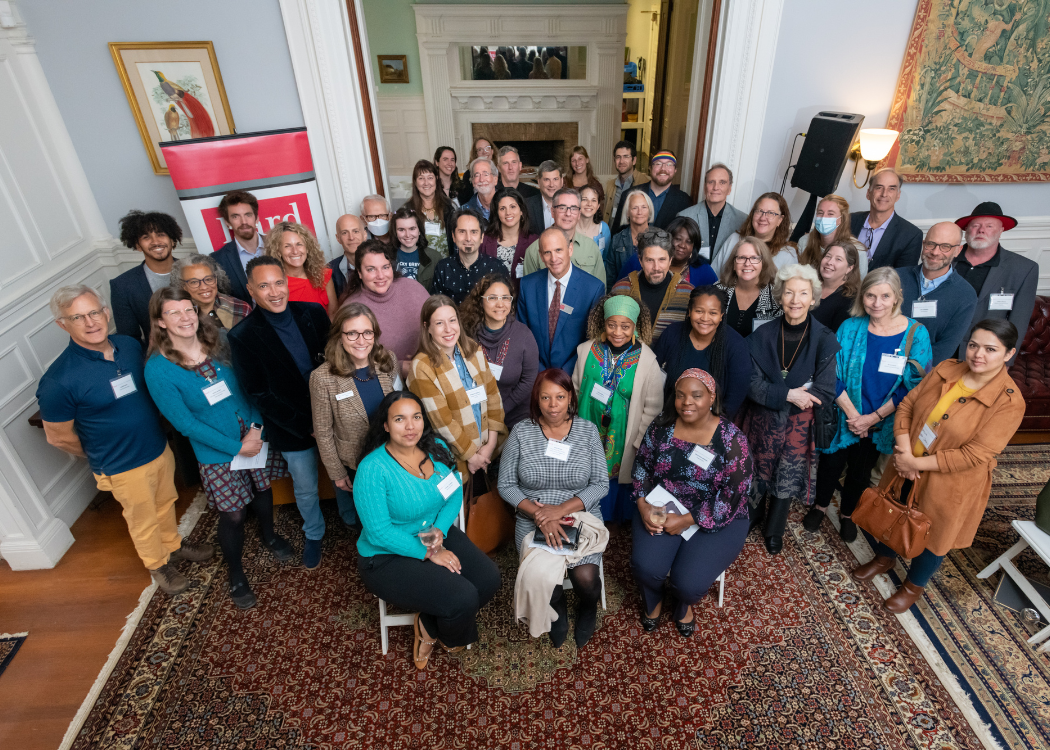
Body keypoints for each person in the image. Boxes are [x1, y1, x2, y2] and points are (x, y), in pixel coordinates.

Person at [38, 286, 214, 596]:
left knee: (166, 502)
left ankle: (173, 545)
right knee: (143, 520)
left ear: (106, 313)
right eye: (78, 317)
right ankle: (158, 564)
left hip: (158, 447)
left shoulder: (129, 346)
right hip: (121, 465)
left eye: (95, 312)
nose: (90, 322)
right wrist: (100, 453)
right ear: (62, 324)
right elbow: (58, 437)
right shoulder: (58, 380)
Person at [852, 319, 1025, 613]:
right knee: (892, 509)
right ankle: (884, 558)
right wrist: (905, 453)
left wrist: (914, 462)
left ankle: (913, 586)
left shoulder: (1009, 402)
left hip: (949, 481)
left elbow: (975, 454)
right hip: (907, 459)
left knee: (934, 534)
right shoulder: (947, 368)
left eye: (990, 349)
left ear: (1009, 353)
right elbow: (907, 405)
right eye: (973, 345)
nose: (978, 354)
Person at [144, 288, 291, 608]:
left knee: (263, 488)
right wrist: (236, 447)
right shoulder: (157, 369)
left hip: (253, 434)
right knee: (234, 515)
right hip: (217, 451)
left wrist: (255, 430)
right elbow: (185, 424)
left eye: (189, 309)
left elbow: (251, 387)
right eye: (174, 312)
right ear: (160, 321)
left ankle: (269, 535)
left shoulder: (221, 342)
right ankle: (236, 573)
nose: (185, 317)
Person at [354, 391, 501, 669]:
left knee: (489, 579)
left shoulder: (435, 449)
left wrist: (440, 533)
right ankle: (448, 634)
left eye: (416, 417)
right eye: (400, 419)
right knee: (463, 597)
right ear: (386, 425)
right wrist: (430, 553)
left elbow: (453, 493)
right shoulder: (372, 469)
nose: (410, 426)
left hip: (433, 532)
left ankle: (428, 624)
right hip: (386, 556)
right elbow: (379, 532)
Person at [809, 267, 932, 540]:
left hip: (882, 421)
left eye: (885, 296)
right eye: (870, 296)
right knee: (829, 465)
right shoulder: (850, 327)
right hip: (844, 414)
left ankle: (848, 514)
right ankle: (820, 507)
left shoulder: (916, 334)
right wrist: (854, 416)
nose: (877, 303)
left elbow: (915, 386)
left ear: (897, 296)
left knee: (861, 472)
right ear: (862, 296)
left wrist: (872, 418)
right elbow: (829, 372)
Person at [631, 369, 753, 636]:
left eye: (696, 395)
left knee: (688, 584)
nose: (687, 402)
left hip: (718, 514)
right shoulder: (661, 427)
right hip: (664, 505)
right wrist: (642, 504)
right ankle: (653, 600)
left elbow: (733, 496)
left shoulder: (732, 440)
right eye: (680, 395)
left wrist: (687, 519)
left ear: (712, 398)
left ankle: (682, 605)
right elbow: (641, 467)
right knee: (646, 568)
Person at [228, 256, 331, 569]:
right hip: (291, 426)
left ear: (287, 283)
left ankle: (352, 518)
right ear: (251, 290)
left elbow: (335, 362)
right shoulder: (242, 335)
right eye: (264, 286)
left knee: (344, 473)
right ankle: (314, 533)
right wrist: (307, 425)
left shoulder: (314, 312)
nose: (274, 292)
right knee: (305, 486)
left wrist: (329, 417)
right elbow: (258, 392)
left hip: (331, 414)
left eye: (278, 283)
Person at [497, 369, 609, 647]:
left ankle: (588, 608)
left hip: (580, 513)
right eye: (545, 397)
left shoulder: (587, 431)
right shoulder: (521, 432)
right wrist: (539, 514)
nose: (553, 405)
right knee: (545, 580)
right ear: (536, 398)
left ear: (570, 397)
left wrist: (558, 511)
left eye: (560, 397)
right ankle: (557, 611)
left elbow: (600, 484)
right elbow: (506, 485)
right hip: (532, 516)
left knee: (586, 578)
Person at [738, 264, 840, 554]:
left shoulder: (825, 338)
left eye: (803, 293)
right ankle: (752, 516)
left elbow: (825, 389)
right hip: (763, 418)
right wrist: (789, 394)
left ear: (813, 298)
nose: (796, 300)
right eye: (789, 293)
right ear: (780, 297)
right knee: (757, 469)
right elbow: (750, 383)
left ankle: (775, 529)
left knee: (786, 475)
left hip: (798, 423)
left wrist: (791, 397)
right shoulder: (762, 335)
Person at [572, 294, 665, 523]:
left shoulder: (647, 360)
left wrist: (639, 441)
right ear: (603, 322)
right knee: (586, 473)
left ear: (635, 327)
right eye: (611, 324)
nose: (617, 332)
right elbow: (575, 389)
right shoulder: (585, 350)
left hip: (623, 434)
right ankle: (586, 516)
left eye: (625, 326)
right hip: (588, 425)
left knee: (616, 480)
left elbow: (653, 408)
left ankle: (610, 520)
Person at [310, 303, 403, 530]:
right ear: (339, 337)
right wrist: (337, 473)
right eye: (352, 333)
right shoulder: (323, 378)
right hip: (355, 464)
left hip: (392, 457)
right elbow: (323, 432)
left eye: (367, 332)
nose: (361, 340)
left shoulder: (387, 361)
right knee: (366, 523)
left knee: (396, 515)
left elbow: (399, 406)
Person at [408, 295, 507, 481]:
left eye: (452, 320)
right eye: (439, 323)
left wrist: (490, 445)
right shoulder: (421, 366)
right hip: (456, 460)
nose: (448, 329)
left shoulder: (473, 349)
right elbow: (442, 422)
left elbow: (493, 395)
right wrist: (472, 456)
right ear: (427, 327)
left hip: (489, 452)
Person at [954, 202, 1038, 360]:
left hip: (985, 355)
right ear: (966, 229)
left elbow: (1018, 321)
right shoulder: (945, 258)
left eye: (989, 226)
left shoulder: (1024, 268)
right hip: (939, 349)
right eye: (975, 225)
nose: (981, 230)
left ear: (1001, 230)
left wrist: (1007, 360)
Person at [653, 286, 751, 419]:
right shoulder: (671, 334)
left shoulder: (736, 345)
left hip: (712, 423)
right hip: (667, 417)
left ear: (721, 315)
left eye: (713, 313)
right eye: (699, 311)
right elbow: (653, 378)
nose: (705, 318)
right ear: (689, 311)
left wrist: (710, 426)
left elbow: (734, 399)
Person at [517, 228, 606, 373]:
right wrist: (540, 372)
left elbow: (593, 340)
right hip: (535, 373)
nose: (554, 258)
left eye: (558, 250)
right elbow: (522, 333)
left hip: (573, 374)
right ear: (541, 256)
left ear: (570, 249)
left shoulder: (593, 288)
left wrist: (563, 375)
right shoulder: (527, 285)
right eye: (547, 252)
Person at [459, 274, 539, 430]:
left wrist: (501, 409)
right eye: (493, 298)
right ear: (481, 300)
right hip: (476, 413)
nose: (500, 304)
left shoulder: (524, 335)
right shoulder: (467, 334)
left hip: (515, 415)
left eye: (505, 298)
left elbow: (529, 380)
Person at [339, 240, 430, 376]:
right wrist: (399, 367)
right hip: (384, 380)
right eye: (371, 269)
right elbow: (348, 361)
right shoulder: (350, 309)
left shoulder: (414, 288)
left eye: (385, 267)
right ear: (359, 273)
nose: (380, 276)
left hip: (429, 370)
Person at [899, 222, 978, 365]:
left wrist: (910, 370)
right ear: (924, 244)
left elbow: (946, 347)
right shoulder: (895, 278)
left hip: (924, 371)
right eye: (931, 244)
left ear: (958, 250)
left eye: (945, 246)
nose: (935, 252)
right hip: (881, 362)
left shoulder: (966, 295)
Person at [611, 228, 693, 345]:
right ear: (640, 261)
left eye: (662, 260)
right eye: (650, 260)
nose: (656, 267)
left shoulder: (688, 293)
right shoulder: (621, 289)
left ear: (670, 260)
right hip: (629, 356)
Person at [112, 210, 182, 345]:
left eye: (161, 234)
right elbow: (129, 339)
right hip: (160, 352)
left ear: (172, 241)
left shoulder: (195, 271)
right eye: (146, 237)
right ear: (138, 246)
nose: (155, 242)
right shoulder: (122, 286)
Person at [522, 188, 606, 285]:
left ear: (579, 214)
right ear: (552, 212)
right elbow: (530, 289)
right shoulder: (534, 250)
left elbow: (600, 288)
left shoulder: (592, 248)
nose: (568, 213)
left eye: (573, 208)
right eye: (562, 208)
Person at [849, 169, 923, 271]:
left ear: (898, 195)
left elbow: (903, 276)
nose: (884, 194)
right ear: (868, 193)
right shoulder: (849, 220)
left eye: (891, 189)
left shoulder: (911, 235)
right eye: (879, 187)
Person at [431, 208, 506, 304]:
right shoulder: (443, 268)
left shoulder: (497, 268)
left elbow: (506, 304)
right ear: (453, 236)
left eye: (474, 232)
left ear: (482, 237)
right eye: (462, 232)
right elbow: (435, 307)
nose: (468, 238)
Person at [676, 163, 748, 265]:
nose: (715, 187)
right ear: (705, 187)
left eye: (722, 182)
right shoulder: (684, 216)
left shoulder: (742, 220)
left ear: (729, 189)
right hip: (691, 273)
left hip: (725, 275)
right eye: (711, 182)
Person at [621, 216, 718, 288]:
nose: (682, 245)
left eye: (688, 242)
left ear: (694, 247)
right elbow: (620, 289)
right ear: (667, 238)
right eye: (678, 239)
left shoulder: (704, 270)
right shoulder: (640, 259)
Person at [265, 221, 337, 318]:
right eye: (287, 246)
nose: (295, 251)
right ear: (278, 251)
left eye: (299, 244)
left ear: (307, 248)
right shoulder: (276, 286)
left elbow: (334, 314)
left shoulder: (323, 275)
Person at [610, 150, 692, 234]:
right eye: (658, 163)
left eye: (669, 164)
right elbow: (617, 232)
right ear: (650, 168)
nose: (663, 168)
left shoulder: (684, 201)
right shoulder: (629, 195)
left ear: (675, 170)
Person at [717, 238, 783, 338]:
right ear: (734, 264)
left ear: (764, 264)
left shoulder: (777, 297)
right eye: (741, 258)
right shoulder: (717, 290)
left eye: (754, 258)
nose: (747, 263)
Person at [169, 253, 251, 331]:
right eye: (194, 282)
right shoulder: (175, 316)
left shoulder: (241, 308)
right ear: (182, 286)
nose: (204, 287)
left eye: (208, 279)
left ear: (216, 279)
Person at [720, 192, 796, 275]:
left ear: (780, 220)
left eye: (770, 213)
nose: (763, 218)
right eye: (759, 211)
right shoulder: (734, 239)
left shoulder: (787, 255)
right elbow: (713, 276)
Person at [211, 190, 263, 303]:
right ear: (227, 222)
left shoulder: (279, 245)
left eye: (248, 215)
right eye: (235, 216)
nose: (244, 222)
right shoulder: (217, 260)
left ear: (257, 218)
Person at [797, 194, 868, 277]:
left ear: (841, 219)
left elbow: (860, 283)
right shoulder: (804, 241)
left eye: (830, 214)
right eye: (820, 213)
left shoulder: (858, 251)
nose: (823, 217)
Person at [480, 188, 536, 284]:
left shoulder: (534, 242)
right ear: (497, 213)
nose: (508, 213)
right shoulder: (483, 240)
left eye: (512, 207)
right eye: (502, 208)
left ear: (521, 210)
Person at [408, 159, 456, 258]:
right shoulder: (408, 210)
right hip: (422, 264)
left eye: (430, 178)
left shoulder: (449, 206)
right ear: (415, 182)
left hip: (447, 263)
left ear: (436, 179)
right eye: (421, 178)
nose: (426, 183)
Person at [606, 189, 654, 282]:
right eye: (635, 208)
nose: (640, 212)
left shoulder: (660, 238)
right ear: (628, 212)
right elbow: (610, 277)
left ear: (649, 210)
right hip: (623, 289)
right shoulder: (617, 239)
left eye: (644, 207)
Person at [813, 241, 860, 333]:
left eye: (838, 259)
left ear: (849, 268)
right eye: (828, 256)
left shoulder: (849, 301)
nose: (829, 262)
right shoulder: (808, 285)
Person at [391, 206, 442, 291]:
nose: (407, 235)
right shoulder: (387, 256)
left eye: (412, 229)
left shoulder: (435, 257)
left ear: (419, 231)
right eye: (401, 230)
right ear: (395, 232)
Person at [604, 140, 648, 224]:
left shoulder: (644, 183)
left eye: (626, 156)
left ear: (634, 160)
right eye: (618, 157)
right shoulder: (610, 185)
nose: (621, 161)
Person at [327, 214, 366, 298]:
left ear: (365, 234)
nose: (351, 237)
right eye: (344, 233)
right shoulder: (329, 271)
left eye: (356, 231)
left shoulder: (384, 262)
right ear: (338, 238)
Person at [525, 160, 563, 237]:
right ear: (539, 182)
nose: (551, 185)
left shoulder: (571, 205)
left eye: (555, 179)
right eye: (546, 179)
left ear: (562, 181)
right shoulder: (526, 206)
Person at [576, 185, 612, 259]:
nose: (589, 204)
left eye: (593, 200)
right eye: (585, 199)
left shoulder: (604, 228)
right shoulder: (569, 226)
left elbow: (606, 259)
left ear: (598, 206)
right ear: (577, 203)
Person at [457, 137, 496, 205]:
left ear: (492, 151)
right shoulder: (468, 175)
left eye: (487, 148)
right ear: (476, 154)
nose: (484, 152)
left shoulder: (500, 173)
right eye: (480, 149)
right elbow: (466, 201)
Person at [463, 157, 499, 223]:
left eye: (486, 174)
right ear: (473, 181)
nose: (481, 179)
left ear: (495, 179)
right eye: (477, 175)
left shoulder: (509, 207)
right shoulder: (464, 212)